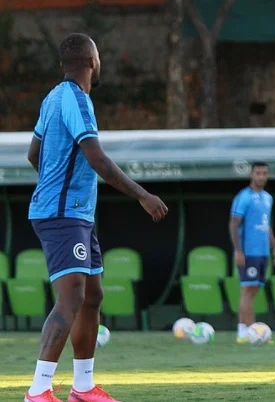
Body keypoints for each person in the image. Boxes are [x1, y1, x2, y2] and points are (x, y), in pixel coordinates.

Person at [23, 33, 168, 402]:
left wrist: (56, 181)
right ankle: (38, 391)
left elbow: (33, 154)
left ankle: (83, 387)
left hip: (74, 214)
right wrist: (143, 196)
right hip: (62, 214)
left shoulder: (52, 97)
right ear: (92, 61)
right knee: (71, 296)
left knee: (92, 296)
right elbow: (98, 159)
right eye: (99, 57)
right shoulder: (77, 100)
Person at [229, 162, 275, 344]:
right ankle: (252, 333)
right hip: (249, 251)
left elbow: (266, 226)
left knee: (254, 289)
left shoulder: (268, 198)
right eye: (258, 173)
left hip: (262, 252)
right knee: (248, 290)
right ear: (251, 175)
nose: (261, 176)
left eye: (264, 173)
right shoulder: (244, 197)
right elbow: (234, 224)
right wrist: (238, 250)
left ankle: (243, 332)